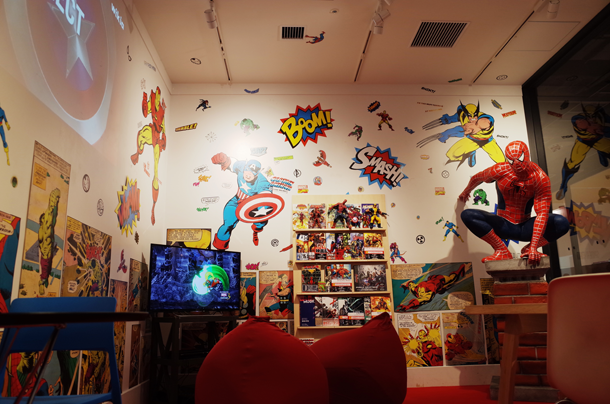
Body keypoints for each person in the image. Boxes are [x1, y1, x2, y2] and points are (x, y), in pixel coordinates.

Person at [459, 141, 570, 266]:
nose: (516, 164)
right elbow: (477, 177)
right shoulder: (500, 170)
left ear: (526, 155)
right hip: (503, 224)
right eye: (511, 160)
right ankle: (501, 249)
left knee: (561, 222)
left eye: (520, 158)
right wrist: (466, 192)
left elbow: (542, 213)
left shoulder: (540, 178)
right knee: (468, 215)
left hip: (524, 227)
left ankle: (528, 249)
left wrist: (533, 247)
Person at [211, 153, 274, 250]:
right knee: (227, 225)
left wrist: (253, 204)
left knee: (262, 219)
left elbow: (265, 198)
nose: (248, 175)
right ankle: (220, 248)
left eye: (252, 173)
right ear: (244, 168)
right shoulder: (241, 166)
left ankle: (256, 231)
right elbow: (232, 163)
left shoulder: (262, 182)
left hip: (252, 205)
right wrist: (225, 160)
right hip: (236, 201)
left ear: (257, 174)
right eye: (247, 171)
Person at [418, 101, 505, 168]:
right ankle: (470, 153)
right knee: (451, 155)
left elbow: (487, 121)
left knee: (502, 162)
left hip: (488, 141)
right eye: (469, 116)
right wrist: (446, 125)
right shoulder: (463, 115)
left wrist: (478, 126)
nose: (472, 118)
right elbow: (455, 120)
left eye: (475, 115)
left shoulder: (483, 118)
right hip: (472, 141)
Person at [556, 104, 610, 200]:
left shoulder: (601, 117)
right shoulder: (580, 120)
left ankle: (601, 152)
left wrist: (602, 130)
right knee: (571, 164)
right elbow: (576, 120)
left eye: (593, 116)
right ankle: (563, 186)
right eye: (589, 116)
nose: (592, 119)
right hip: (583, 142)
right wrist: (590, 126)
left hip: (598, 140)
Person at [131, 86, 167, 225]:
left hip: (157, 138)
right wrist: (145, 99)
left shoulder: (161, 109)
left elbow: (163, 127)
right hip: (152, 132)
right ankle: (138, 153)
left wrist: (163, 140)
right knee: (141, 135)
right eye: (156, 95)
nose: (157, 97)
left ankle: (153, 208)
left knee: (156, 173)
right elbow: (146, 113)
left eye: (158, 95)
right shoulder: (152, 101)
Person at [397, 263, 468, 311]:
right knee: (445, 286)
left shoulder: (427, 296)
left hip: (439, 280)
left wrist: (408, 306)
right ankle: (458, 271)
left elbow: (418, 301)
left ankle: (461, 268)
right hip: (433, 280)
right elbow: (410, 284)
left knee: (452, 279)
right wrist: (405, 286)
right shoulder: (415, 291)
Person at [38, 188, 60, 296]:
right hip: (46, 252)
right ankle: (42, 282)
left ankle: (44, 280)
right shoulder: (42, 229)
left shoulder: (48, 228)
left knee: (48, 268)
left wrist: (56, 203)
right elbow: (41, 241)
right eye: (43, 218)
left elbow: (54, 217)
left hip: (49, 251)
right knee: (45, 269)